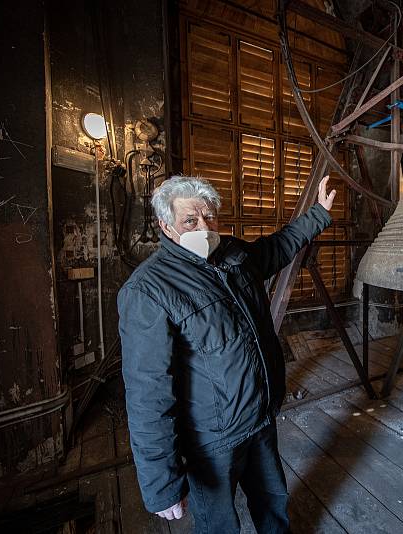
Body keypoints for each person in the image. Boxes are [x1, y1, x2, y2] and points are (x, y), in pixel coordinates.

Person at [118, 174, 335, 533]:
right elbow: (147, 393)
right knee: (218, 525)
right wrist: (162, 485)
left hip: (260, 418)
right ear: (166, 226)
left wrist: (319, 214)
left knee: (273, 505)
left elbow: (279, 247)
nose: (203, 226)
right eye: (190, 220)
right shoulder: (149, 289)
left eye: (209, 217)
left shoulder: (233, 255)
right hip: (212, 440)